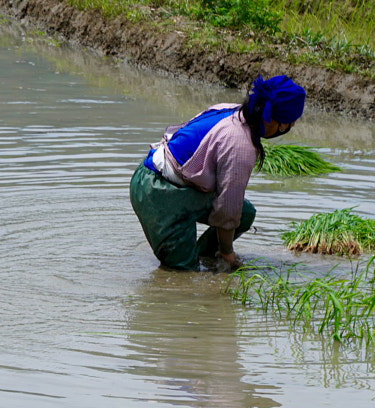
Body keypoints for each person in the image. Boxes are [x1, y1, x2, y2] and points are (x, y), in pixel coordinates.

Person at [131, 74, 306, 272]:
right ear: (278, 122)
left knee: (245, 213)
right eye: (291, 122)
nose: (290, 127)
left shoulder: (231, 110)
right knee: (184, 276)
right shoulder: (241, 144)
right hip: (158, 191)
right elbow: (227, 208)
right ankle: (195, 259)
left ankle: (204, 256)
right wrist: (228, 252)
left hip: (170, 181)